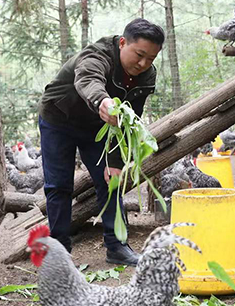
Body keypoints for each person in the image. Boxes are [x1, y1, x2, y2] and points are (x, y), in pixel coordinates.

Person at [38, 18, 164, 265]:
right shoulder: (97, 54)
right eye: (139, 54)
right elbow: (87, 79)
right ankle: (59, 253)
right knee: (59, 186)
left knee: (111, 182)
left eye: (150, 58)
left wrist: (115, 160)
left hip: (99, 127)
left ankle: (117, 246)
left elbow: (130, 118)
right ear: (122, 42)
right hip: (58, 118)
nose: (143, 63)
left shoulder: (146, 75)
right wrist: (102, 102)